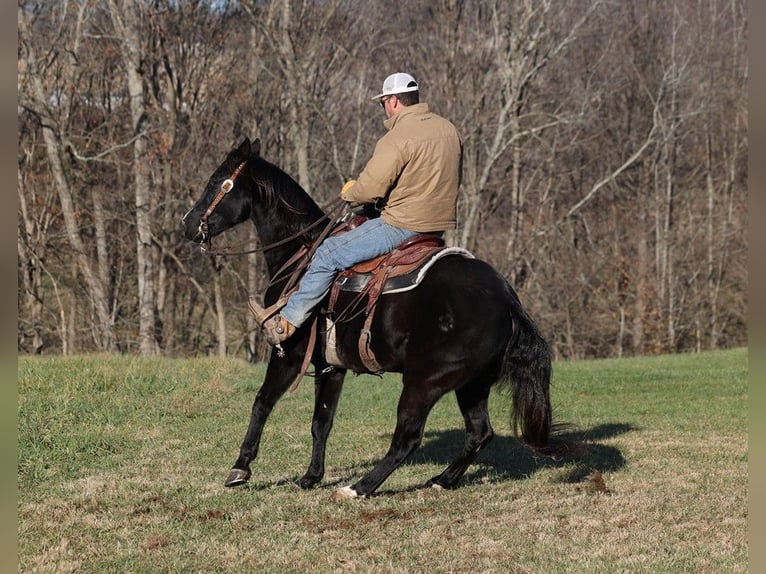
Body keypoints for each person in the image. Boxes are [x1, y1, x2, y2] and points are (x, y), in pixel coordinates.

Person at [251, 72, 463, 346]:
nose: (383, 109)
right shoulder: (449, 130)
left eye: (383, 102)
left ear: (394, 101)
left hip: (400, 225)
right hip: (436, 226)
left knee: (327, 253)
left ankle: (286, 323)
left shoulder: (397, 137)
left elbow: (369, 189)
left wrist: (350, 193)